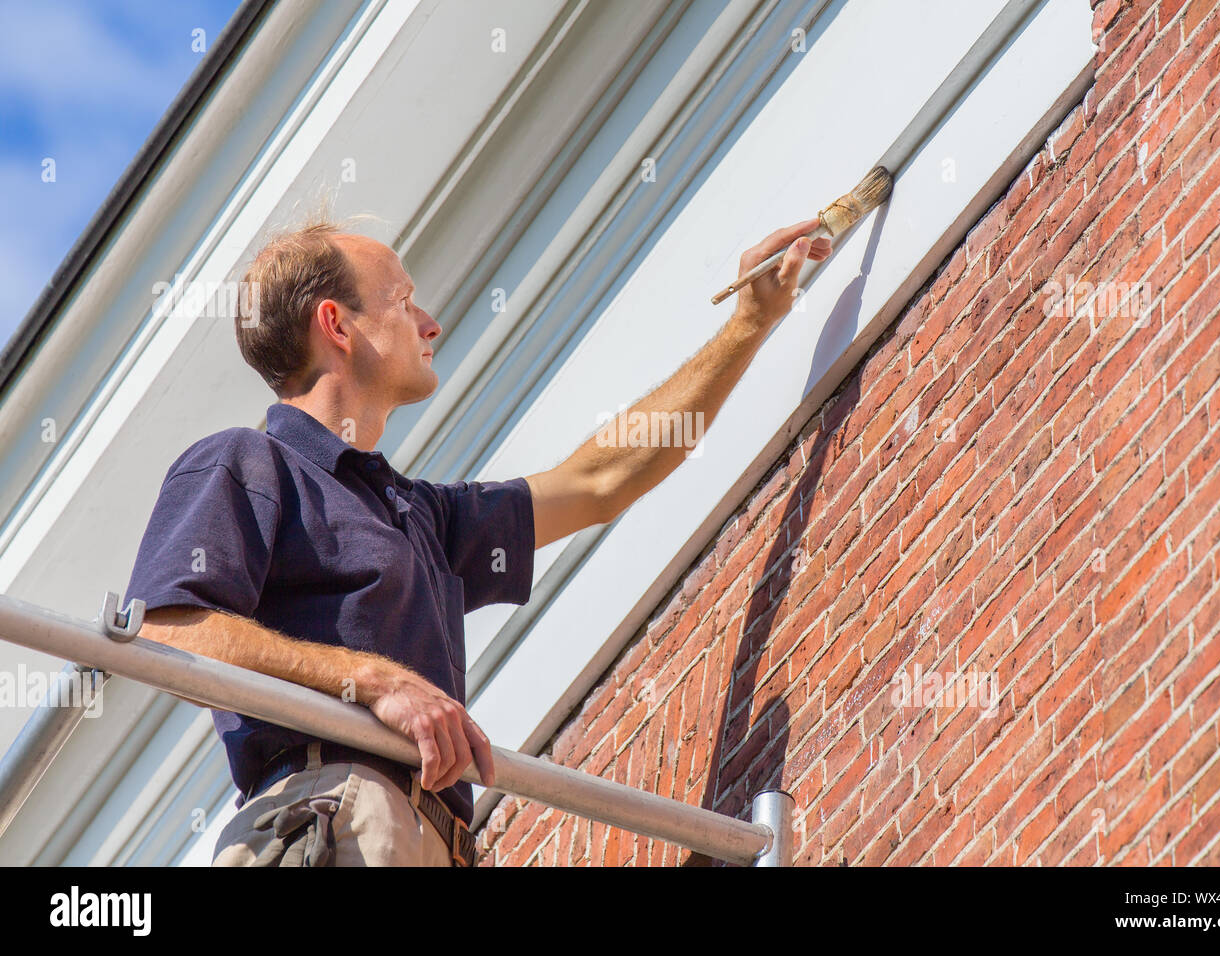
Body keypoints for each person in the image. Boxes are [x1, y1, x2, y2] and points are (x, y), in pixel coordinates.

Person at [123, 215, 832, 866]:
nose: (431, 324)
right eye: (403, 302)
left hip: (433, 838)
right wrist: (370, 679)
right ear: (336, 325)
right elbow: (166, 633)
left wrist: (750, 321)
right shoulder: (247, 463)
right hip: (339, 817)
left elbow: (599, 480)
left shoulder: (417, 515)